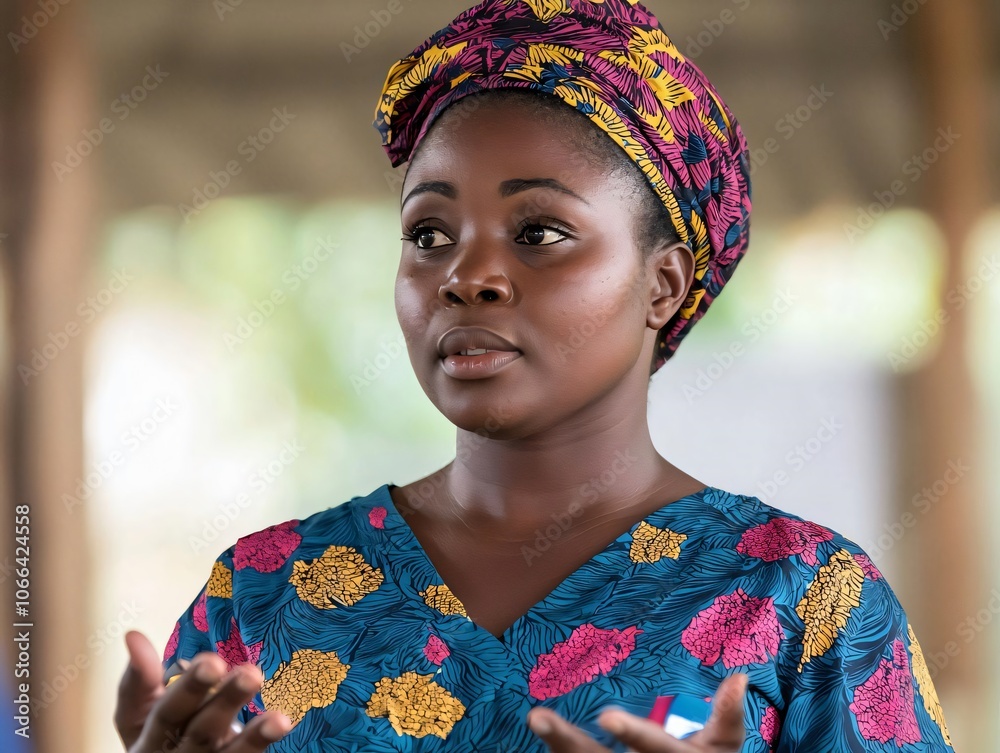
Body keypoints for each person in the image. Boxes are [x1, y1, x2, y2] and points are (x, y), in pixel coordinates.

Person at [114, 1, 956, 751]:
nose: (464, 275)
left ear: (661, 284)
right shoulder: (262, 597)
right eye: (430, 234)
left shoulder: (806, 601)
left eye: (540, 231)